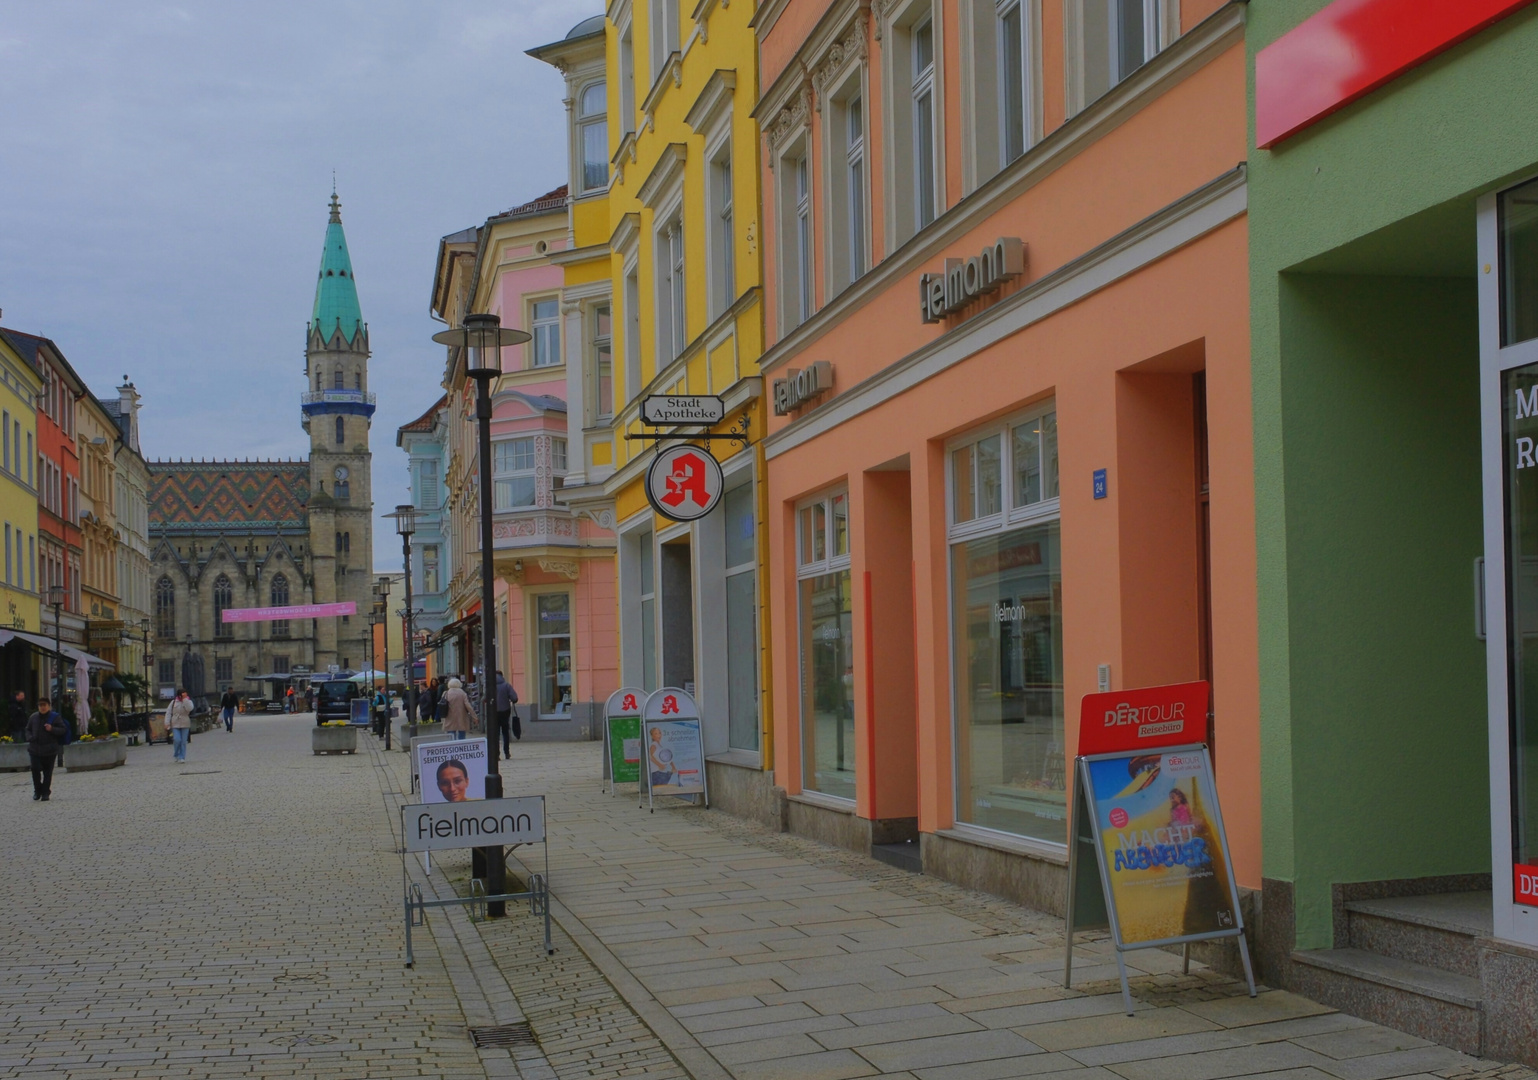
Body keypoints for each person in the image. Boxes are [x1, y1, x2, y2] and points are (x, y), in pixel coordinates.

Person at [26, 696, 63, 801]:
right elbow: (27, 729)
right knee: (35, 769)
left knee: (47, 772)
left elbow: (62, 730)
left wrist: (52, 729)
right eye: (40, 705)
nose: (42, 707)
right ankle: (37, 791)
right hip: (35, 749)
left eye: (44, 705)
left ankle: (45, 792)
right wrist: (29, 737)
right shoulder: (33, 717)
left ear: (49, 706)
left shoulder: (55, 717)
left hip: (50, 750)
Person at [492, 671, 519, 760]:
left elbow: (484, 698)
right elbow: (514, 698)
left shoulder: (490, 686)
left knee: (495, 733)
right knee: (505, 732)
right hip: (505, 711)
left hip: (493, 712)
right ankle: (507, 752)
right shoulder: (506, 685)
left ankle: (496, 754)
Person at [166, 688, 193, 763]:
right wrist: (167, 722)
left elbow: (190, 709)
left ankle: (182, 756)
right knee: (177, 739)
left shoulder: (188, 701)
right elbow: (168, 712)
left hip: (185, 722)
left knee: (183, 741)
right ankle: (176, 754)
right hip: (175, 723)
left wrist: (185, 700)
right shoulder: (174, 702)